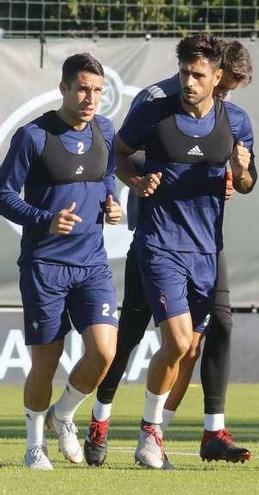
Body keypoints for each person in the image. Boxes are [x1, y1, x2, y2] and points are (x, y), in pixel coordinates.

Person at [85, 37, 255, 467]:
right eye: (185, 73)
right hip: (158, 244)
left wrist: (240, 170)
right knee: (174, 340)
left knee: (187, 346)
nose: (190, 82)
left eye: (199, 75)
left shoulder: (235, 120)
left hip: (206, 250)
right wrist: (136, 182)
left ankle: (152, 431)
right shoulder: (153, 110)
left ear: (218, 78)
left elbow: (249, 182)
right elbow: (119, 155)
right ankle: (137, 430)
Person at [0, 53, 122, 470]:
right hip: (44, 265)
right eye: (83, 89)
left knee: (105, 352)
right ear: (64, 89)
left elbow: (107, 175)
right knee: (46, 361)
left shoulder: (104, 130)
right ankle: (35, 444)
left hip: (92, 264)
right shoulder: (33, 136)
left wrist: (112, 201)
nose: (91, 98)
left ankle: (64, 412)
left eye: (97, 91)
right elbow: (4, 195)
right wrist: (45, 220)